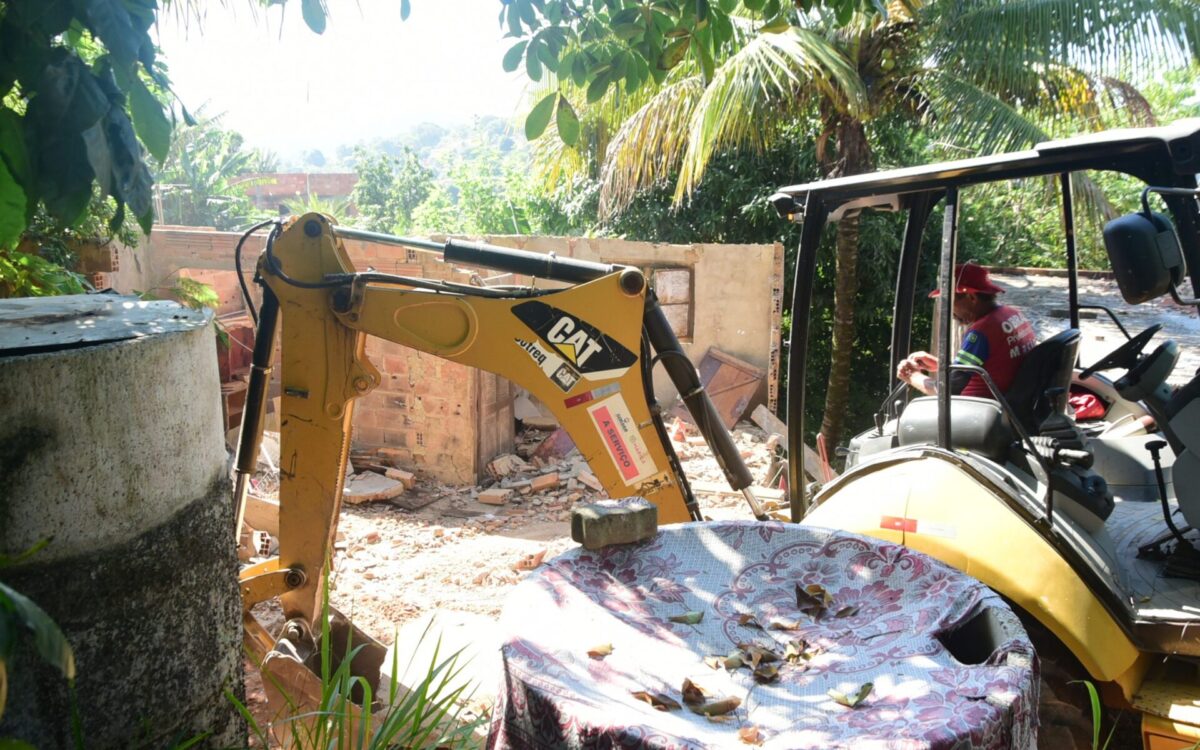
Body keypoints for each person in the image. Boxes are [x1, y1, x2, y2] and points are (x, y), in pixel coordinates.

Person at [897, 262, 1036, 397]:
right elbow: (992, 366)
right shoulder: (1011, 314)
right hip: (1008, 402)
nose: (950, 310)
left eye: (950, 302)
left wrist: (911, 375)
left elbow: (948, 391)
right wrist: (941, 365)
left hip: (977, 410)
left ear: (971, 297)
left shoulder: (981, 332)